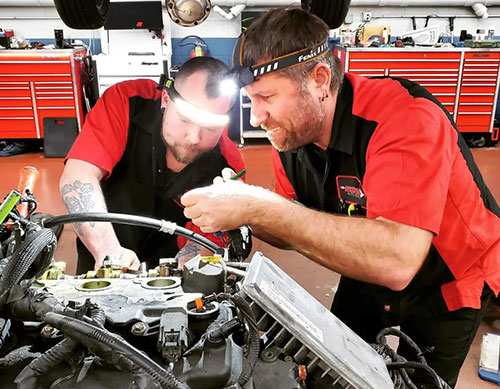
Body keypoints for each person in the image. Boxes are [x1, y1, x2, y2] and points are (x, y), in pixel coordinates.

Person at [180, 7, 500, 387]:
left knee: (419, 381)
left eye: (266, 96)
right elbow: (289, 219)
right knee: (334, 372)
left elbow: (396, 261)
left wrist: (256, 205)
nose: (256, 117)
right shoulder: (292, 134)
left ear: (319, 80)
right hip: (365, 265)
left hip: (449, 278)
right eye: (251, 99)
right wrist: (242, 210)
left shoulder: (404, 117)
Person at [60, 56, 244, 274]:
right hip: (104, 253)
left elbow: (202, 242)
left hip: (170, 275)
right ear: (166, 99)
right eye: (185, 119)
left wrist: (178, 274)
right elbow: (78, 175)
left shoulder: (227, 168)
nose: (194, 138)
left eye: (211, 128)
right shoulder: (126, 102)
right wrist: (107, 251)